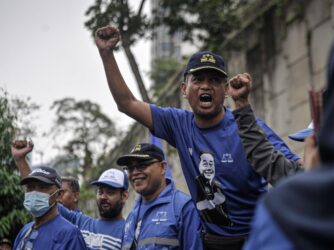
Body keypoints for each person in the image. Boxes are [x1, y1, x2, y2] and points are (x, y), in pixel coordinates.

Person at [95, 25, 300, 249]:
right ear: (184, 89)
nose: (206, 85)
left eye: (214, 80)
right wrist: (107, 54)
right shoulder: (179, 124)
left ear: (226, 89)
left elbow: (293, 172)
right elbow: (127, 104)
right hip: (211, 242)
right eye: (198, 79)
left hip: (256, 239)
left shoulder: (247, 127)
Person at [243, 45, 334, 250]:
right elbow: (263, 156)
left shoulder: (288, 207)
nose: (303, 156)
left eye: (309, 144)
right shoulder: (298, 177)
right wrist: (241, 107)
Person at [11, 142, 129, 250]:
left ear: (124, 196)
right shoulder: (82, 222)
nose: (103, 197)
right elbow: (41, 195)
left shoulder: (128, 231)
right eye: (100, 191)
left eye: (110, 192)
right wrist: (21, 160)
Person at [117, 143, 203, 249]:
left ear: (162, 167)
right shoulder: (132, 215)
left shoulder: (184, 208)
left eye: (142, 165)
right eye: (130, 168)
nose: (134, 172)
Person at [12, 166, 87, 250]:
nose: (35, 193)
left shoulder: (70, 235)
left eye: (42, 187)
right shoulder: (24, 231)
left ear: (58, 195)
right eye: (30, 187)